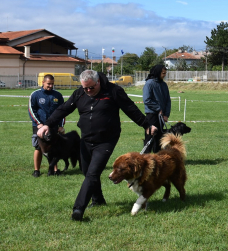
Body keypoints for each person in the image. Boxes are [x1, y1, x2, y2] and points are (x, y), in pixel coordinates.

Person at [37, 70, 156, 221]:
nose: (87, 91)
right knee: (87, 171)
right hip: (86, 139)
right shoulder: (80, 93)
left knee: (93, 173)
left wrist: (147, 125)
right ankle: (98, 199)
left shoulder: (114, 91)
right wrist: (47, 124)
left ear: (98, 81)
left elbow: (130, 108)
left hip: (106, 140)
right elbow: (64, 109)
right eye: (85, 88)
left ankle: (78, 209)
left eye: (91, 88)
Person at [28, 74, 65, 177]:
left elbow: (62, 111)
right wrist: (38, 123)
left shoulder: (57, 95)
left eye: (52, 84)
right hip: (39, 126)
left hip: (53, 126)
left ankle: (55, 170)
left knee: (54, 148)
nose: (50, 86)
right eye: (48, 84)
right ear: (43, 82)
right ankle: (36, 170)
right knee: (38, 147)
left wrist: (60, 125)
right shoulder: (35, 95)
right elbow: (31, 110)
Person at [143, 65, 171, 153]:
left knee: (159, 138)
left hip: (161, 116)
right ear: (158, 73)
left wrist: (166, 114)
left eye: (165, 73)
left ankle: (158, 158)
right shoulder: (149, 84)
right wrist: (158, 108)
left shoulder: (164, 84)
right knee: (149, 138)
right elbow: (147, 100)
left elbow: (167, 100)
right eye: (163, 73)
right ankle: (145, 158)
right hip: (151, 115)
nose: (164, 75)